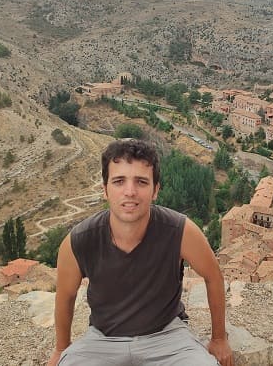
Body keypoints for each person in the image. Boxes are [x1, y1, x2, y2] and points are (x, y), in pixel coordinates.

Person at [47, 139, 233, 365]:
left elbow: (213, 276)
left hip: (168, 336)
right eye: (119, 181)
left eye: (141, 182)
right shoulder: (79, 240)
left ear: (155, 190)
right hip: (103, 340)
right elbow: (65, 297)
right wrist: (61, 349)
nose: (130, 192)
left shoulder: (180, 231)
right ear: (105, 189)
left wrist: (219, 338)